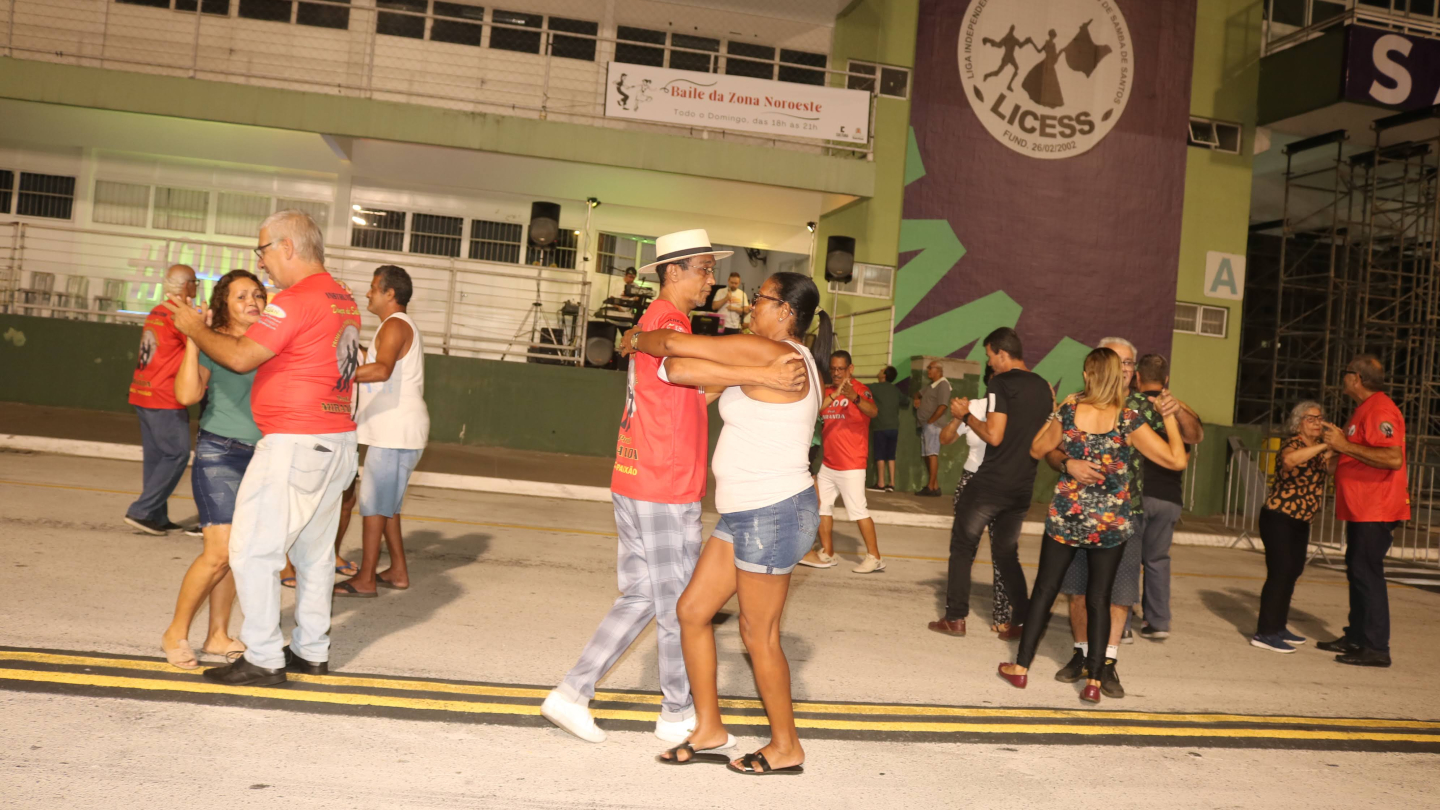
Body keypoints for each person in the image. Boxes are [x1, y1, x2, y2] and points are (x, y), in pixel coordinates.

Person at [540, 229, 805, 745]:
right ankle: (678, 710)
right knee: (680, 606)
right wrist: (767, 376)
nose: (712, 280)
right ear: (673, 272)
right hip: (664, 482)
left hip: (637, 477)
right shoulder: (666, 321)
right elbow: (682, 363)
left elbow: (686, 391)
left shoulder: (657, 321)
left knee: (644, 595)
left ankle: (571, 693)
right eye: (704, 269)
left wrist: (741, 380)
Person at [638, 270, 829, 775]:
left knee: (757, 634)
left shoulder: (774, 352)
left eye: (761, 299)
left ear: (786, 310)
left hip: (773, 512)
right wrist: (750, 379)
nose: (750, 307)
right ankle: (710, 729)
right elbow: (695, 377)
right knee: (693, 611)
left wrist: (638, 338)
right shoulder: (767, 360)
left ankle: (786, 746)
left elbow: (677, 365)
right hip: (747, 511)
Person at [165, 209, 362, 687]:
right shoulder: (342, 297)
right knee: (314, 557)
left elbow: (237, 356)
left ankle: (264, 657)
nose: (263, 262)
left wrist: (192, 327)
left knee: (252, 551)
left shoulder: (294, 301)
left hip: (295, 444)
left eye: (264, 250)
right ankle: (310, 650)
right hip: (336, 440)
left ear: (287, 247)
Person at [999, 348, 1187, 704]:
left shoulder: (1070, 410)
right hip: (1111, 521)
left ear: (1087, 375)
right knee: (1100, 598)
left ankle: (1021, 668)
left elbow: (1038, 449)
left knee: (1045, 590)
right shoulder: (1129, 418)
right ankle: (1094, 682)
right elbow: (1176, 459)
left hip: (1067, 516)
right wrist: (1170, 419)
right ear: (1119, 376)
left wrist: (1056, 415)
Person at [1048, 339, 1202, 697]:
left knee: (1120, 594)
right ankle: (1082, 655)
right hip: (1077, 512)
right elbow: (1048, 450)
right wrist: (1066, 462)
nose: (1126, 369)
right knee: (1077, 592)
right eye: (1118, 362)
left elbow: (1194, 436)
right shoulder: (1075, 403)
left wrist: (1175, 410)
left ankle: (1108, 663)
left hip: (1124, 515)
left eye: (1130, 363)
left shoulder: (1140, 406)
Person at [160, 270, 267, 669]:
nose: (253, 301)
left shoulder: (268, 343)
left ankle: (218, 636)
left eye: (257, 294)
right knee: (218, 552)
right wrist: (193, 338)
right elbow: (187, 395)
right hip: (221, 452)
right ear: (223, 304)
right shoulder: (212, 344)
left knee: (238, 554)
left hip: (264, 456)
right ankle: (175, 632)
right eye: (241, 297)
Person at [927, 328, 1050, 638]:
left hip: (991, 484)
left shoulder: (1000, 384)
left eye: (990, 356)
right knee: (1007, 553)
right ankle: (1021, 621)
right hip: (1023, 485)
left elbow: (994, 435)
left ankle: (955, 617)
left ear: (1002, 354)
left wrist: (966, 416)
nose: (990, 363)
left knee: (963, 546)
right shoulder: (1045, 388)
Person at [333, 265, 429, 597]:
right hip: (398, 430)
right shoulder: (396, 326)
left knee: (373, 506)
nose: (368, 293)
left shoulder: (394, 325)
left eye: (374, 288)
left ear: (390, 293)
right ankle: (398, 571)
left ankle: (366, 579)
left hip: (394, 432)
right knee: (388, 506)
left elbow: (381, 370)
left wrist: (336, 376)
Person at [1317, 355, 1409, 668]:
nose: (1342, 378)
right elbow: (1352, 454)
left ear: (1356, 377)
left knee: (1367, 573)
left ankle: (1376, 647)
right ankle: (1357, 636)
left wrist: (1344, 446)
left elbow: (1392, 458)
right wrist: (1333, 451)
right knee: (1358, 571)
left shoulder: (1381, 409)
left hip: (1376, 507)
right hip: (1361, 507)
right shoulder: (1363, 410)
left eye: (1345, 373)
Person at [939, 366, 1018, 638]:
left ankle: (1002, 616)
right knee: (964, 552)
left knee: (1003, 553)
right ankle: (956, 615)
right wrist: (957, 418)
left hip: (1002, 484)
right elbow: (945, 439)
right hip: (971, 482)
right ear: (991, 382)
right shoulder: (974, 406)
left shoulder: (1016, 412)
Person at [1252, 400, 1333, 653]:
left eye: (1320, 418)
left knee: (1292, 572)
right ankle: (1264, 632)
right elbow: (1290, 461)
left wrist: (1343, 448)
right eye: (1311, 418)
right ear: (1298, 422)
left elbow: (1331, 467)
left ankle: (1278, 626)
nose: (1317, 422)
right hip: (1280, 517)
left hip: (1301, 520)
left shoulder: (1318, 451)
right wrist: (1326, 445)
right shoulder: (1293, 444)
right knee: (1280, 573)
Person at [124, 263, 197, 536]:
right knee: (177, 453)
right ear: (186, 285)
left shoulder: (158, 311)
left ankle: (155, 515)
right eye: (195, 282)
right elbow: (200, 340)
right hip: (164, 395)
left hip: (142, 390)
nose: (197, 287)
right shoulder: (180, 315)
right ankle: (142, 510)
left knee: (156, 457)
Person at [797, 350, 885, 574]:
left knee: (858, 510)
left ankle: (874, 557)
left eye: (840, 369)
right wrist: (836, 394)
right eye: (833, 369)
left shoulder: (861, 390)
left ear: (850, 369)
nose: (836, 373)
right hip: (829, 464)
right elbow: (815, 409)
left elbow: (873, 412)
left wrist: (854, 397)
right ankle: (828, 551)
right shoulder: (828, 392)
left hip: (852, 464)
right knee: (823, 507)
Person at [912, 360, 951, 496]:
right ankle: (935, 486)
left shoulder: (943, 385)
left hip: (933, 425)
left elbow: (943, 406)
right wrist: (917, 399)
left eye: (930, 368)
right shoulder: (931, 385)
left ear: (938, 370)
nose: (928, 370)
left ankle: (930, 486)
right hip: (926, 425)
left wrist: (931, 421)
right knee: (927, 455)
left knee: (932, 454)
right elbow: (917, 394)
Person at [868, 366, 903, 493]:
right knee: (891, 456)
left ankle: (881, 483)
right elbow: (905, 401)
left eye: (882, 370)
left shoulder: (875, 388)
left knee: (880, 455)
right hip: (894, 427)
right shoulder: (895, 389)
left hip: (880, 426)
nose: (879, 371)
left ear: (884, 376)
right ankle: (892, 483)